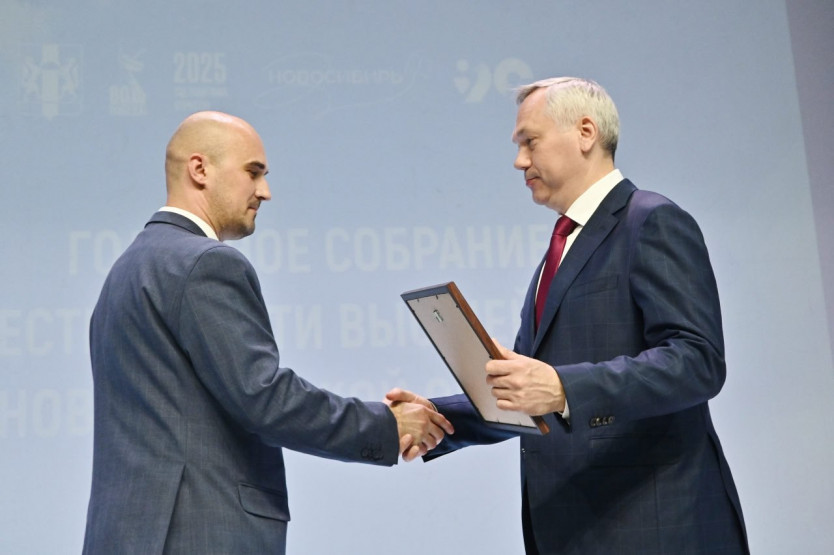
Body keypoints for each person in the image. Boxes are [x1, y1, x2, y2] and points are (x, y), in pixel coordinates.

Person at [388, 77, 749, 553]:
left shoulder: (652, 220)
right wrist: (437, 417)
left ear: (585, 132)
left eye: (530, 142)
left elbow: (697, 361)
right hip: (577, 532)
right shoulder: (560, 249)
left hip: (656, 529)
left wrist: (563, 388)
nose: (519, 161)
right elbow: (529, 396)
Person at [82, 111, 453, 554]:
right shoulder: (206, 263)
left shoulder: (126, 269)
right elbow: (264, 398)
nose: (265, 191)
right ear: (199, 169)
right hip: (198, 533)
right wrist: (386, 425)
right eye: (253, 172)